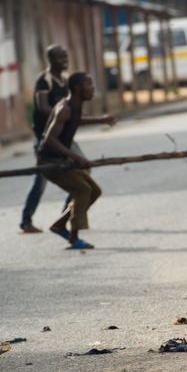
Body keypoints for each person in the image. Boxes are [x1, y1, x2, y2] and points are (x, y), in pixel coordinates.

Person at [37, 72, 116, 249]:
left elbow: (74, 120)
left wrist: (99, 119)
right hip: (50, 163)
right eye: (89, 85)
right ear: (78, 88)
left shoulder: (74, 106)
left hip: (63, 160)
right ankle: (74, 237)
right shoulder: (64, 108)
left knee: (94, 190)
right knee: (82, 190)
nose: (93, 88)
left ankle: (59, 225)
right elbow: (49, 139)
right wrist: (76, 157)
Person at [19, 45, 70, 233]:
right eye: (59, 58)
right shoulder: (44, 81)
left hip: (63, 138)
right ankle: (26, 221)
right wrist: (63, 115)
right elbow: (42, 107)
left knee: (83, 173)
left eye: (65, 57)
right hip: (44, 139)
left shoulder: (65, 80)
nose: (64, 61)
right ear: (50, 60)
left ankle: (66, 216)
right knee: (41, 182)